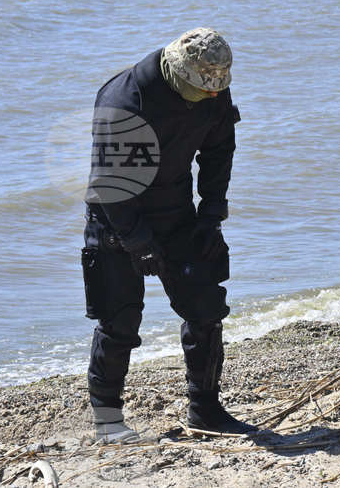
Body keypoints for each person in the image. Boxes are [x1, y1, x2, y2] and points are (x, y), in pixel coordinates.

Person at [81, 27, 257, 443]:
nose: (214, 96)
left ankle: (206, 411)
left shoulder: (213, 87)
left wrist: (211, 211)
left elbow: (218, 149)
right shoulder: (125, 103)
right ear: (178, 74)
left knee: (206, 309)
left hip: (177, 215)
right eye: (205, 90)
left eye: (220, 89)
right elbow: (111, 184)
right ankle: (108, 424)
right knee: (119, 321)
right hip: (116, 220)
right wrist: (136, 241)